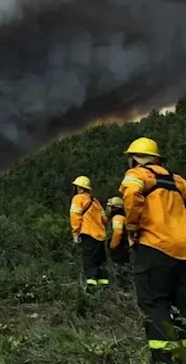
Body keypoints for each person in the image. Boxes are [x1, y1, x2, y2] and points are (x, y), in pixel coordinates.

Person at [119, 137, 186, 363]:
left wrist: (132, 226)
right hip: (183, 250)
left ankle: (165, 357)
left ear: (134, 158)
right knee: (183, 304)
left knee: (154, 304)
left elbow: (129, 194)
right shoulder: (178, 181)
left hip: (153, 246)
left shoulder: (137, 175)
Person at [69, 175, 109, 289]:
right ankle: (104, 286)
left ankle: (92, 287)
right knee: (100, 262)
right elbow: (104, 219)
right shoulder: (95, 201)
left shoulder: (78, 199)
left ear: (79, 188)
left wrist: (75, 234)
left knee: (89, 261)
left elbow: (75, 217)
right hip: (100, 236)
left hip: (88, 234)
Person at [106, 196, 131, 264]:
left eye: (109, 206)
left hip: (120, 249)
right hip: (122, 248)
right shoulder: (122, 217)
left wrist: (112, 246)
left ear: (114, 208)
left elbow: (118, 232)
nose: (107, 209)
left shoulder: (117, 218)